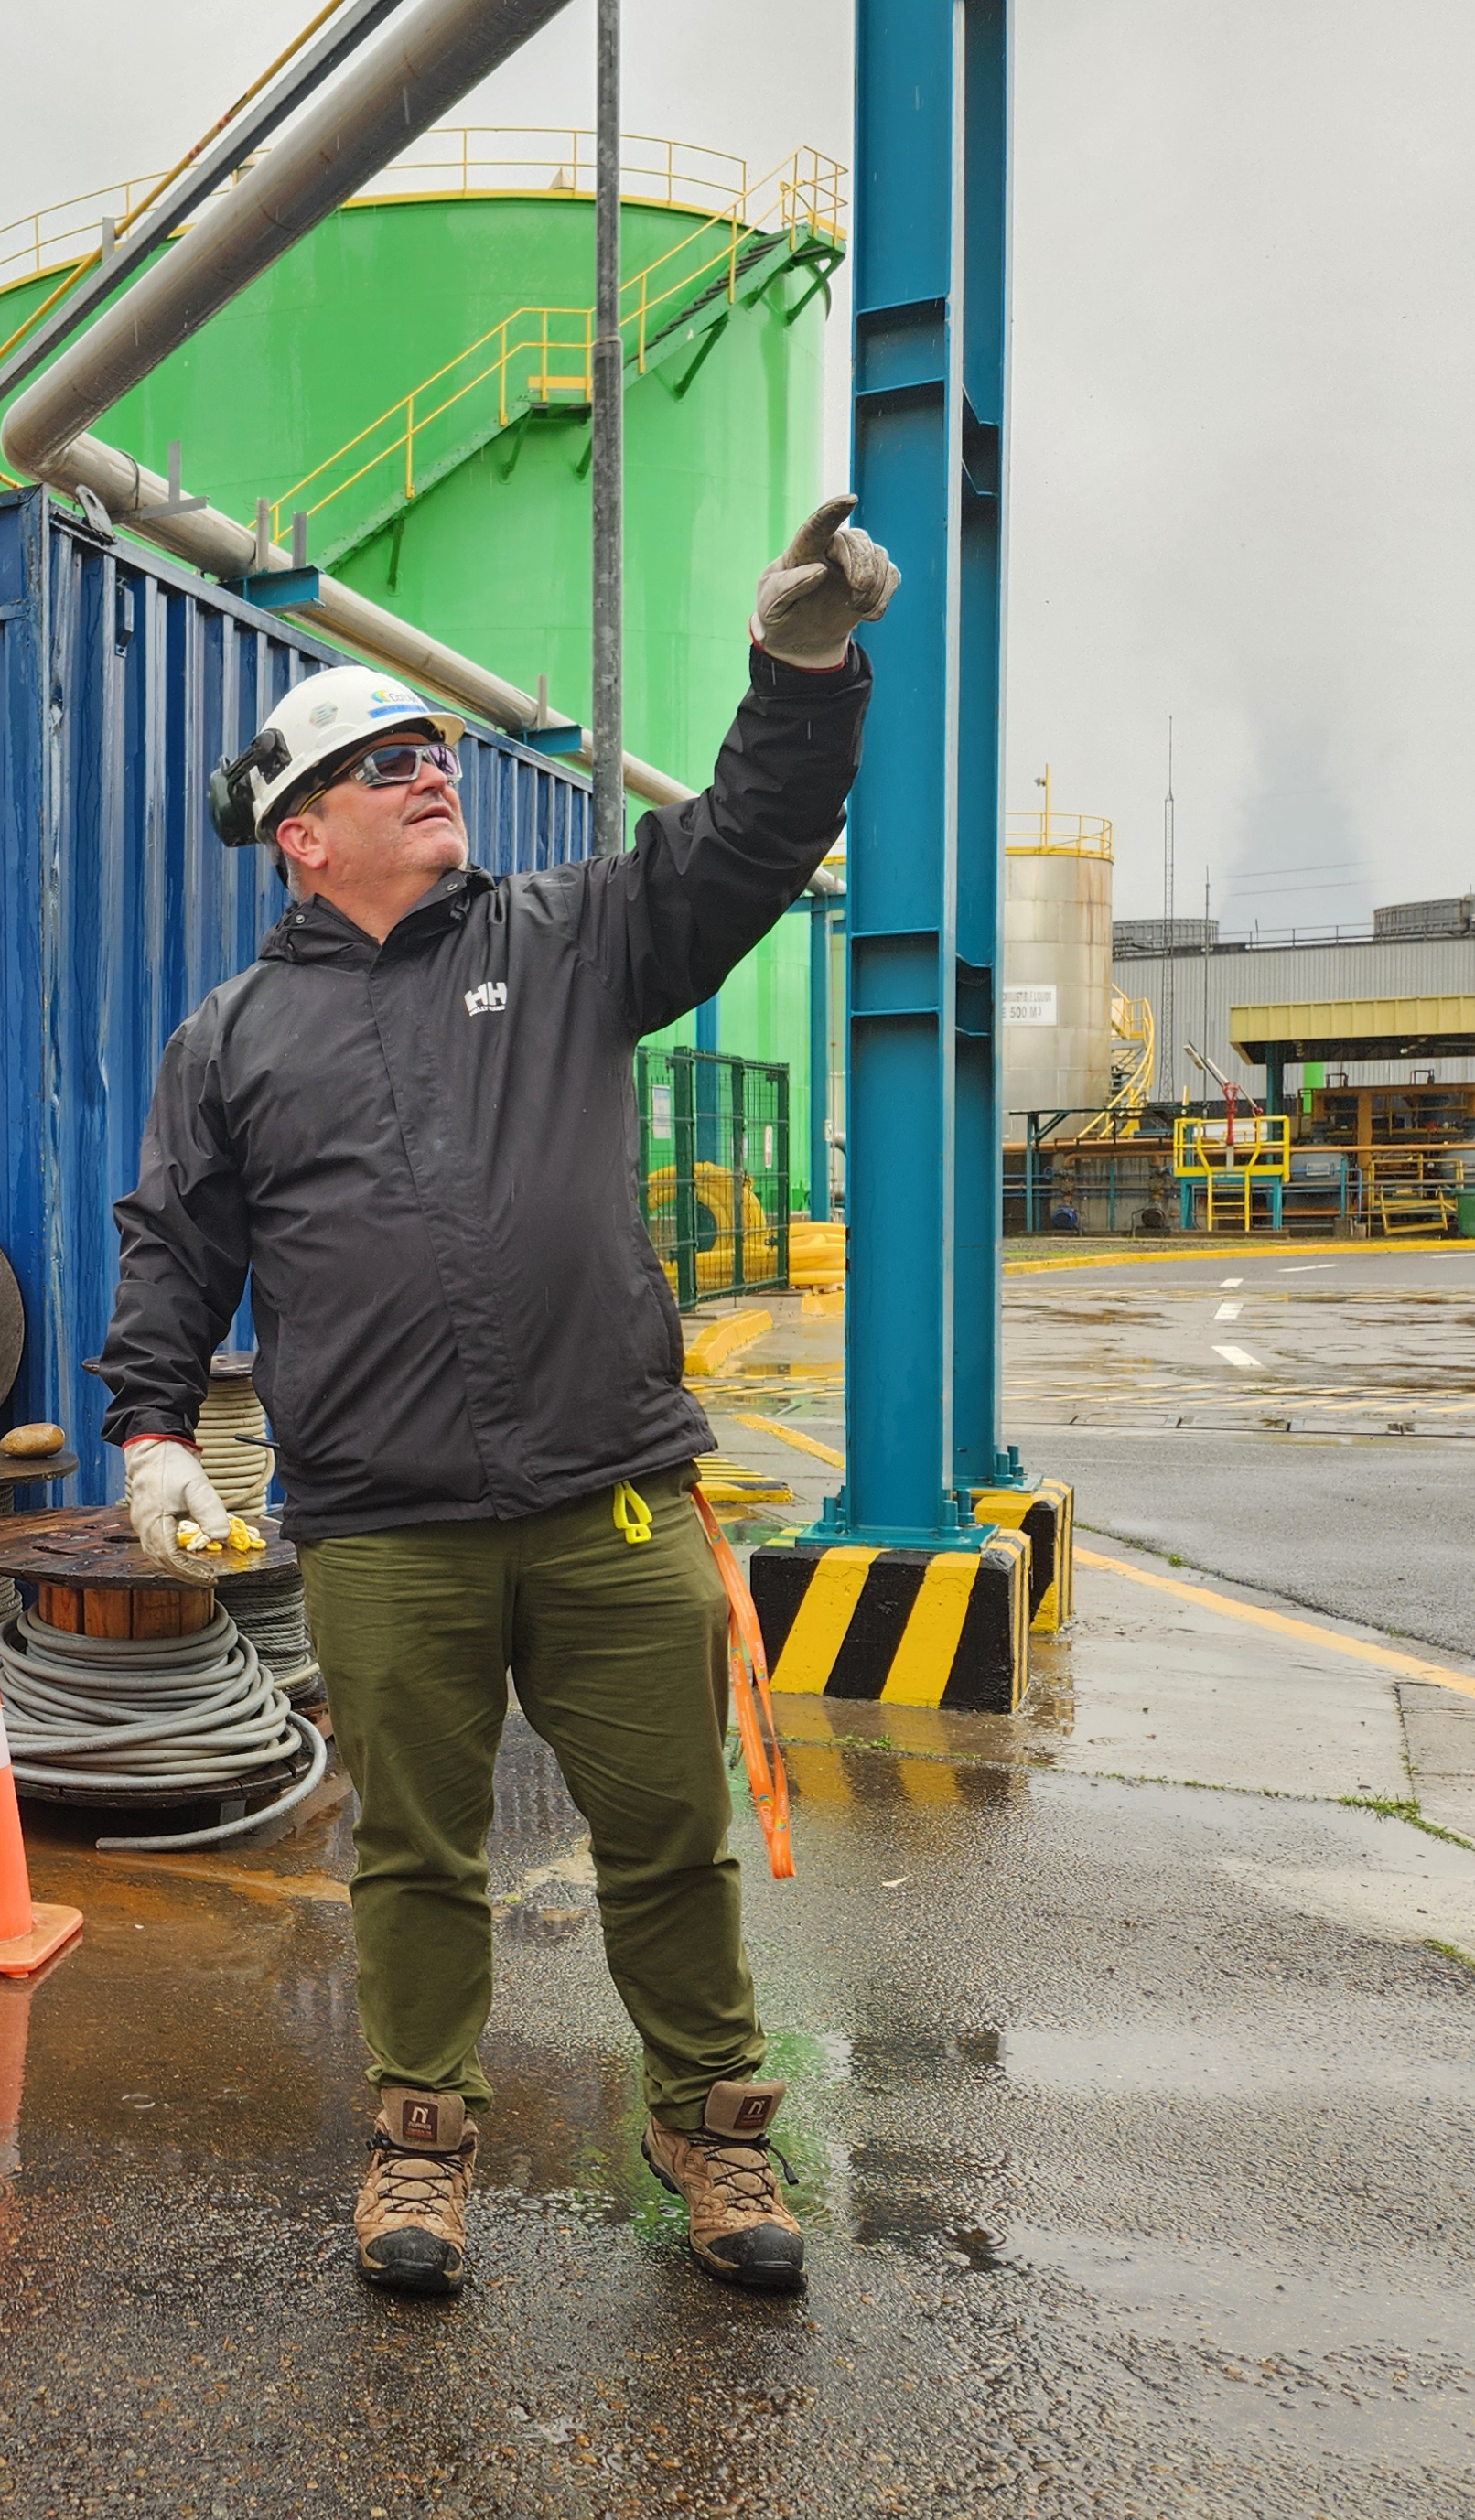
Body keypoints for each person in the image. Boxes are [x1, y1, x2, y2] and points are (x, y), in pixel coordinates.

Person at [99, 498, 898, 2299]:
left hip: (607, 1496)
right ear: (301, 836)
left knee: (667, 1839)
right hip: (382, 1529)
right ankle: (414, 2151)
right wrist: (149, 1429)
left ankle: (709, 2134)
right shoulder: (228, 1039)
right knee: (412, 1855)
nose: (427, 772)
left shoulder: (565, 938)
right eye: (384, 764)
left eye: (430, 749)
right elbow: (174, 1245)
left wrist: (798, 673)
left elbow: (752, 840)